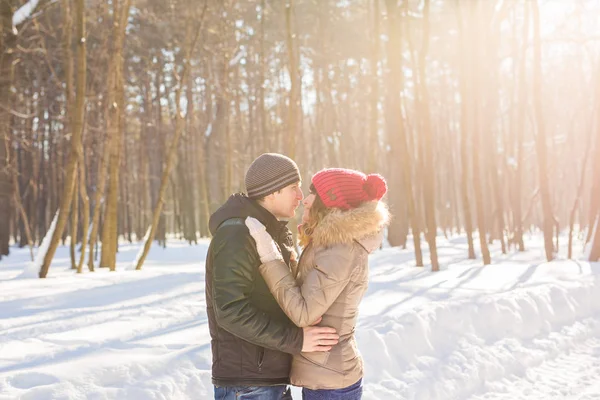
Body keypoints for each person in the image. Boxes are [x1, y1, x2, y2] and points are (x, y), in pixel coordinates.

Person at [245, 168, 390, 400]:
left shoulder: (340, 250)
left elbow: (304, 313)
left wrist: (270, 258)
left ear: (330, 202)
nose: (305, 198)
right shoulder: (332, 245)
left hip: (330, 382)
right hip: (325, 374)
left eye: (313, 192)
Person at [206, 153, 340, 400]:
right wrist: (296, 340)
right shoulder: (237, 234)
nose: (300, 196)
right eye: (293, 187)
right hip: (248, 384)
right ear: (270, 193)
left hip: (270, 378)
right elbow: (229, 310)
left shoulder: (271, 232)